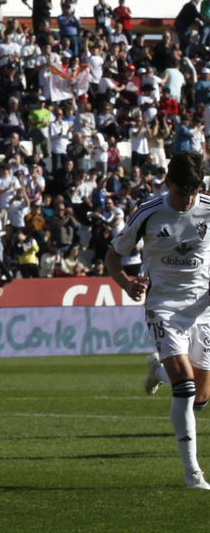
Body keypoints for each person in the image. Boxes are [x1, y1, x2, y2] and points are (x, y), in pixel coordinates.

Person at [108, 151, 210, 489]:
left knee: (201, 398)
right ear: (168, 182)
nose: (188, 199)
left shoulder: (208, 206)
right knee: (186, 387)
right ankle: (192, 472)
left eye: (193, 192)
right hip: (164, 305)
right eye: (182, 192)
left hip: (204, 307)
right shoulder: (148, 213)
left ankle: (157, 369)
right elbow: (113, 256)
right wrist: (127, 283)